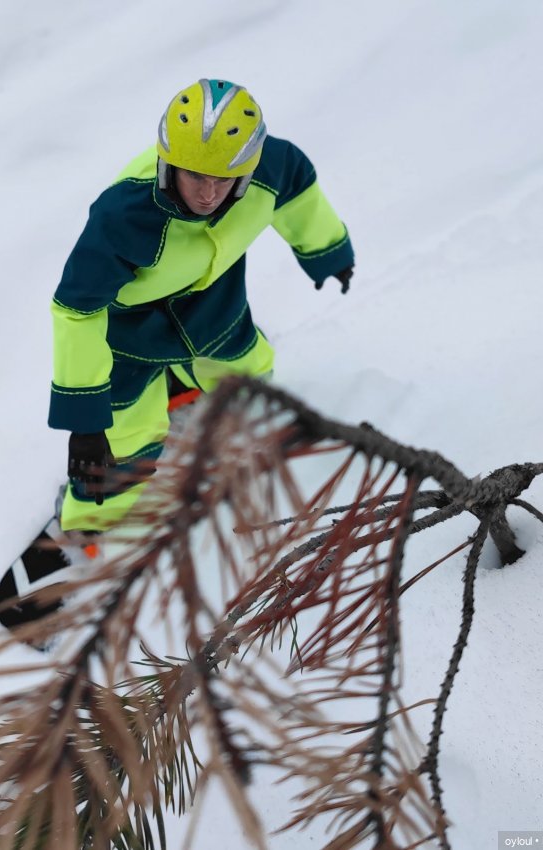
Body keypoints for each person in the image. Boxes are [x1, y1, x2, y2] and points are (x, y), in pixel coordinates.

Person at [50, 77, 354, 542]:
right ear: (169, 163)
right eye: (194, 175)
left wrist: (327, 251)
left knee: (244, 375)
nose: (208, 194)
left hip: (214, 304)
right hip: (130, 331)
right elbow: (77, 311)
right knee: (123, 441)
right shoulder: (125, 216)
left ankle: (201, 394)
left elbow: (300, 194)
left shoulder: (269, 166)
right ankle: (91, 522)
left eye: (223, 179)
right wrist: (86, 422)